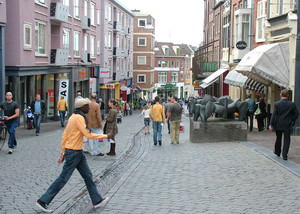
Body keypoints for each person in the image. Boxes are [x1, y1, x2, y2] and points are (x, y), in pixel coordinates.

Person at [36, 98, 112, 213]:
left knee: (88, 176)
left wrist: (62, 152)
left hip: (76, 151)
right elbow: (88, 134)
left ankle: (97, 200)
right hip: (74, 152)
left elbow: (65, 136)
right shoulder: (79, 118)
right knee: (63, 178)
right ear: (82, 107)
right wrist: (106, 136)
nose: (89, 108)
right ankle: (43, 201)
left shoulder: (72, 117)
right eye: (87, 106)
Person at [269, 89, 299, 160]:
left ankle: (277, 151)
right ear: (288, 95)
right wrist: (292, 121)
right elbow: (296, 114)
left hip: (278, 124)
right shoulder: (291, 104)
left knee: (278, 138)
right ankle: (285, 154)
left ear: (280, 95)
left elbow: (274, 115)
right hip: (287, 124)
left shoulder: (277, 104)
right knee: (287, 139)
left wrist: (271, 124)